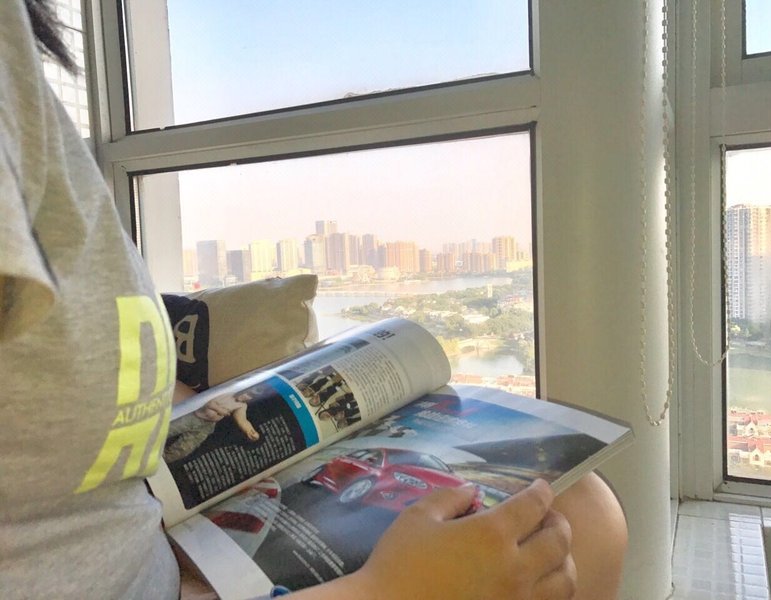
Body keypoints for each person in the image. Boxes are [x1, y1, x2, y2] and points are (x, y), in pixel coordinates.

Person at [0, 1, 628, 598]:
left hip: (142, 550)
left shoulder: (24, 70)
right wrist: (392, 592)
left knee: (578, 509)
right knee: (552, 539)